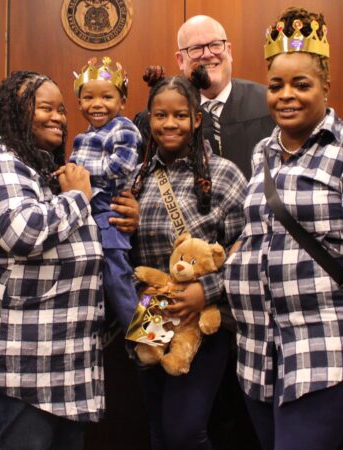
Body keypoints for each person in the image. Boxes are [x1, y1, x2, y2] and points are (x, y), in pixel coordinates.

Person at [224, 7, 343, 449]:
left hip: (327, 348)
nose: (287, 95)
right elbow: (257, 239)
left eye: (301, 85)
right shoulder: (263, 151)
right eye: (276, 85)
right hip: (259, 352)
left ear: (326, 87)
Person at [0, 71, 138, 449]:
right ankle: (153, 338)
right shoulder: (0, 162)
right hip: (24, 360)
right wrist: (80, 197)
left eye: (63, 110)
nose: (59, 118)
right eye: (46, 108)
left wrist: (126, 217)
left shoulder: (38, 166)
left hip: (64, 356)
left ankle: (153, 337)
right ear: (16, 112)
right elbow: (24, 232)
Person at [128, 66, 247, 450]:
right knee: (159, 427)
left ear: (197, 119)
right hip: (151, 309)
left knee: (185, 431)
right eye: (160, 115)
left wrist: (206, 291)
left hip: (202, 316)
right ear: (149, 120)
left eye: (180, 115)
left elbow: (248, 249)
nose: (170, 124)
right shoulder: (136, 179)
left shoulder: (225, 175)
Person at [70, 56, 142, 325]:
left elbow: (121, 167)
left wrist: (80, 175)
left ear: (122, 102)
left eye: (107, 97)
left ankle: (149, 336)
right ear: (79, 103)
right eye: (88, 98)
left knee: (117, 275)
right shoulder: (84, 136)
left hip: (108, 208)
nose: (97, 104)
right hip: (88, 211)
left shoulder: (124, 128)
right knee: (96, 275)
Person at [174, 15, 274, 178]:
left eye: (215, 45)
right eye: (196, 48)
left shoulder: (269, 103)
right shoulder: (164, 117)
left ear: (229, 50)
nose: (207, 54)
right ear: (180, 60)